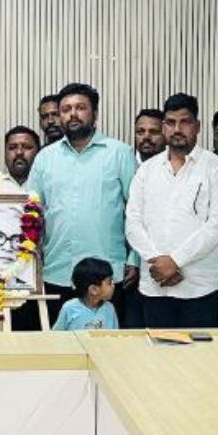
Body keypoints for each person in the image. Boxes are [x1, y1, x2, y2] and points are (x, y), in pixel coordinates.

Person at [127, 93, 218, 328]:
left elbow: (217, 226)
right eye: (171, 122)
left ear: (197, 126)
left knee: (201, 351)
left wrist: (175, 261)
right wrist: (158, 261)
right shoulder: (147, 170)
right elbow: (132, 222)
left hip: (201, 288)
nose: (177, 129)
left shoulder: (216, 168)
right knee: (157, 350)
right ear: (164, 126)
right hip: (155, 284)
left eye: (185, 122)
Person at [31, 84, 138, 310]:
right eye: (65, 109)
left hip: (106, 277)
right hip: (57, 272)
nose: (72, 114)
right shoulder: (44, 158)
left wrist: (134, 259)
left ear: (95, 113)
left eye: (80, 108)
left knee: (105, 334)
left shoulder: (119, 153)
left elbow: (137, 211)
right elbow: (31, 214)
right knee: (59, 334)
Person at [53, 257, 118, 332]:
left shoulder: (110, 308)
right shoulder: (69, 308)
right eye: (109, 282)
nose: (113, 285)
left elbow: (115, 335)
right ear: (93, 290)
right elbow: (56, 335)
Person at [0, 125, 40, 193]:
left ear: (39, 152)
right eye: (12, 147)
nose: (19, 152)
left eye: (27, 147)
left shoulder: (48, 186)